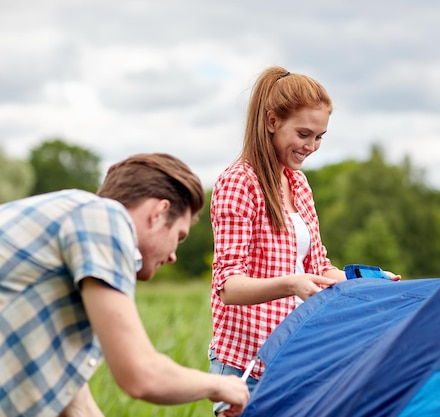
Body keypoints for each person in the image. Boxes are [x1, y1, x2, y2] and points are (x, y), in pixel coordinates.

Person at [209, 66, 398, 416]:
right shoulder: (239, 182)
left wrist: (368, 281)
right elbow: (228, 286)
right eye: (303, 133)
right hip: (244, 365)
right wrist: (291, 284)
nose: (311, 146)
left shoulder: (298, 184)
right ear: (271, 121)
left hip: (292, 360)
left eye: (319, 137)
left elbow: (317, 269)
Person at [0, 153, 249, 417]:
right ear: (158, 212)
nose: (174, 255)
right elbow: (142, 375)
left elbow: (78, 407)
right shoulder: (104, 217)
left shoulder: (70, 244)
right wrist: (220, 384)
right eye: (179, 236)